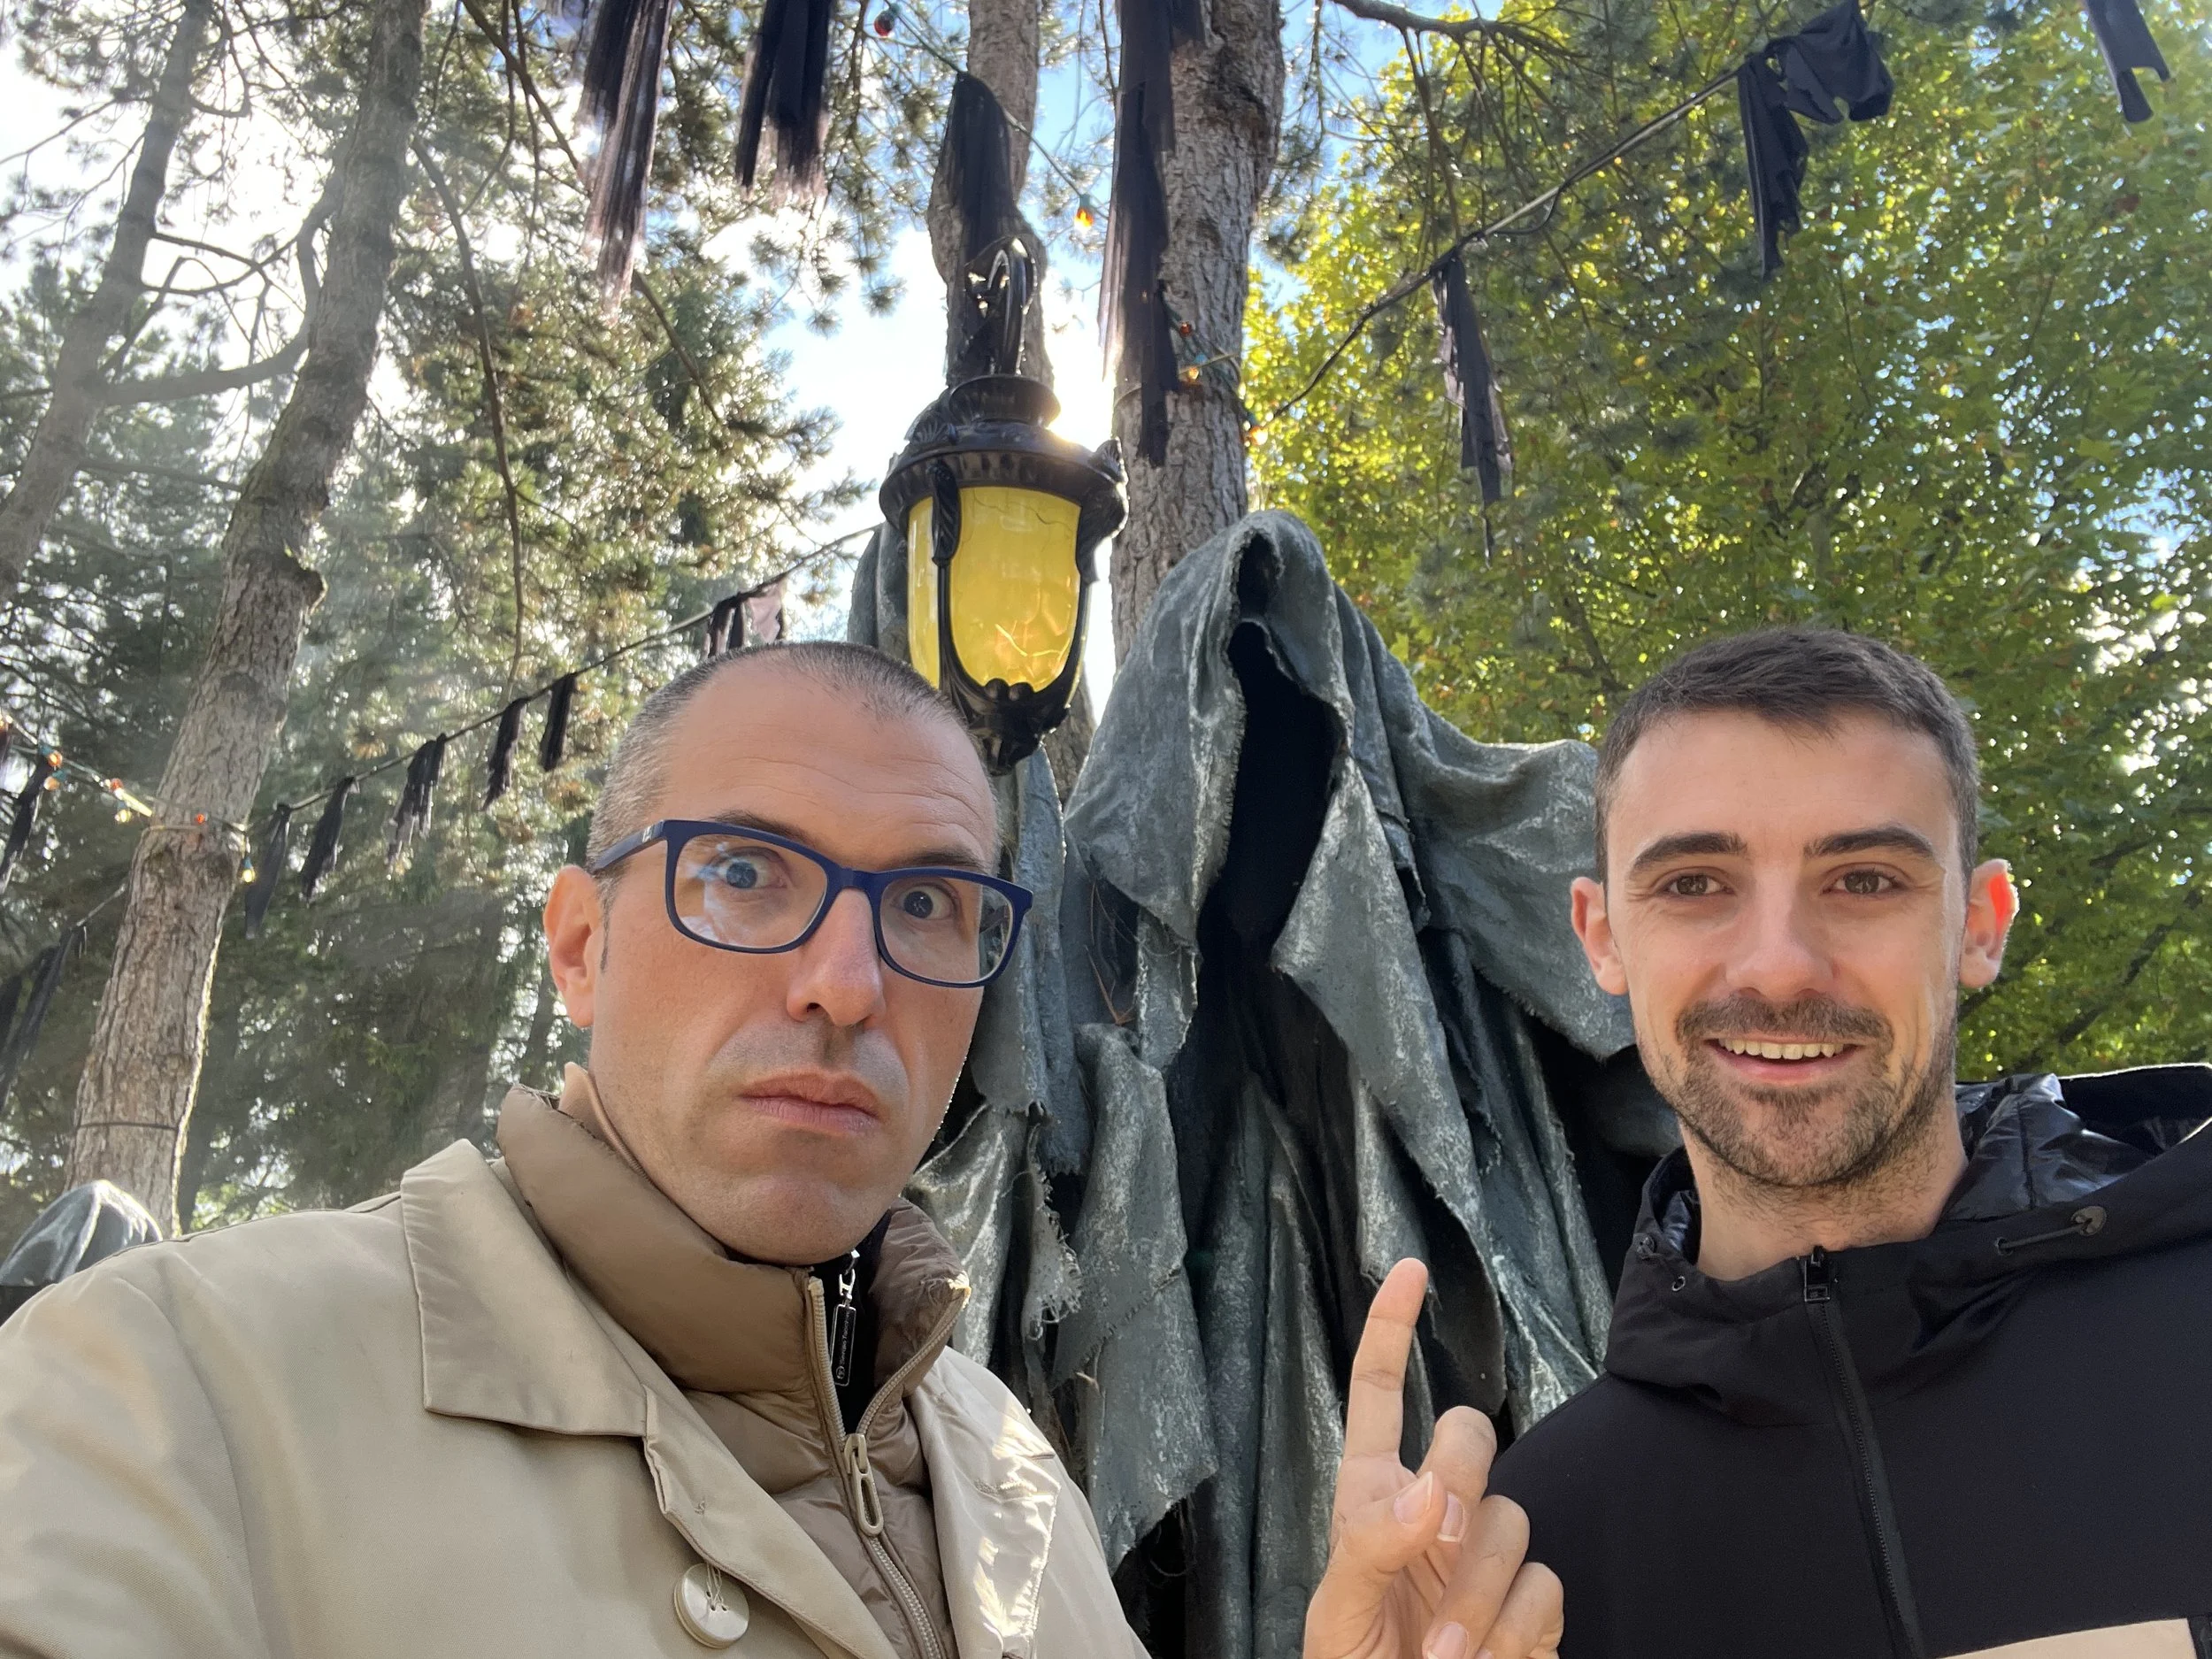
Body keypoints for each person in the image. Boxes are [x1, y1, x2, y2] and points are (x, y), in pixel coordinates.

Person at [0, 639, 1557, 1659]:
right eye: (745, 873)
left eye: (929, 905)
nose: (844, 981)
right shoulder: (177, 1390)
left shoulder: (1018, 1480)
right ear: (581, 945)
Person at [1487, 628, 2212, 1659]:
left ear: (1977, 925)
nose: (1779, 969)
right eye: (1694, 883)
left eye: (1864, 879)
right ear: (1601, 936)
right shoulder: (1528, 1558)